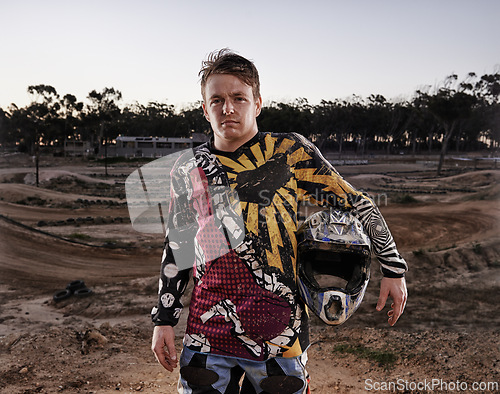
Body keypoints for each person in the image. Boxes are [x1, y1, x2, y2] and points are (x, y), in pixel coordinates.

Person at [151, 49, 408, 393]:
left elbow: (357, 203)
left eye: (239, 98)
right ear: (205, 109)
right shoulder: (186, 168)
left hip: (279, 334)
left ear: (257, 103)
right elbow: (178, 246)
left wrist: (393, 267)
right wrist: (164, 320)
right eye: (217, 100)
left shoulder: (290, 152)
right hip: (207, 334)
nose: (228, 108)